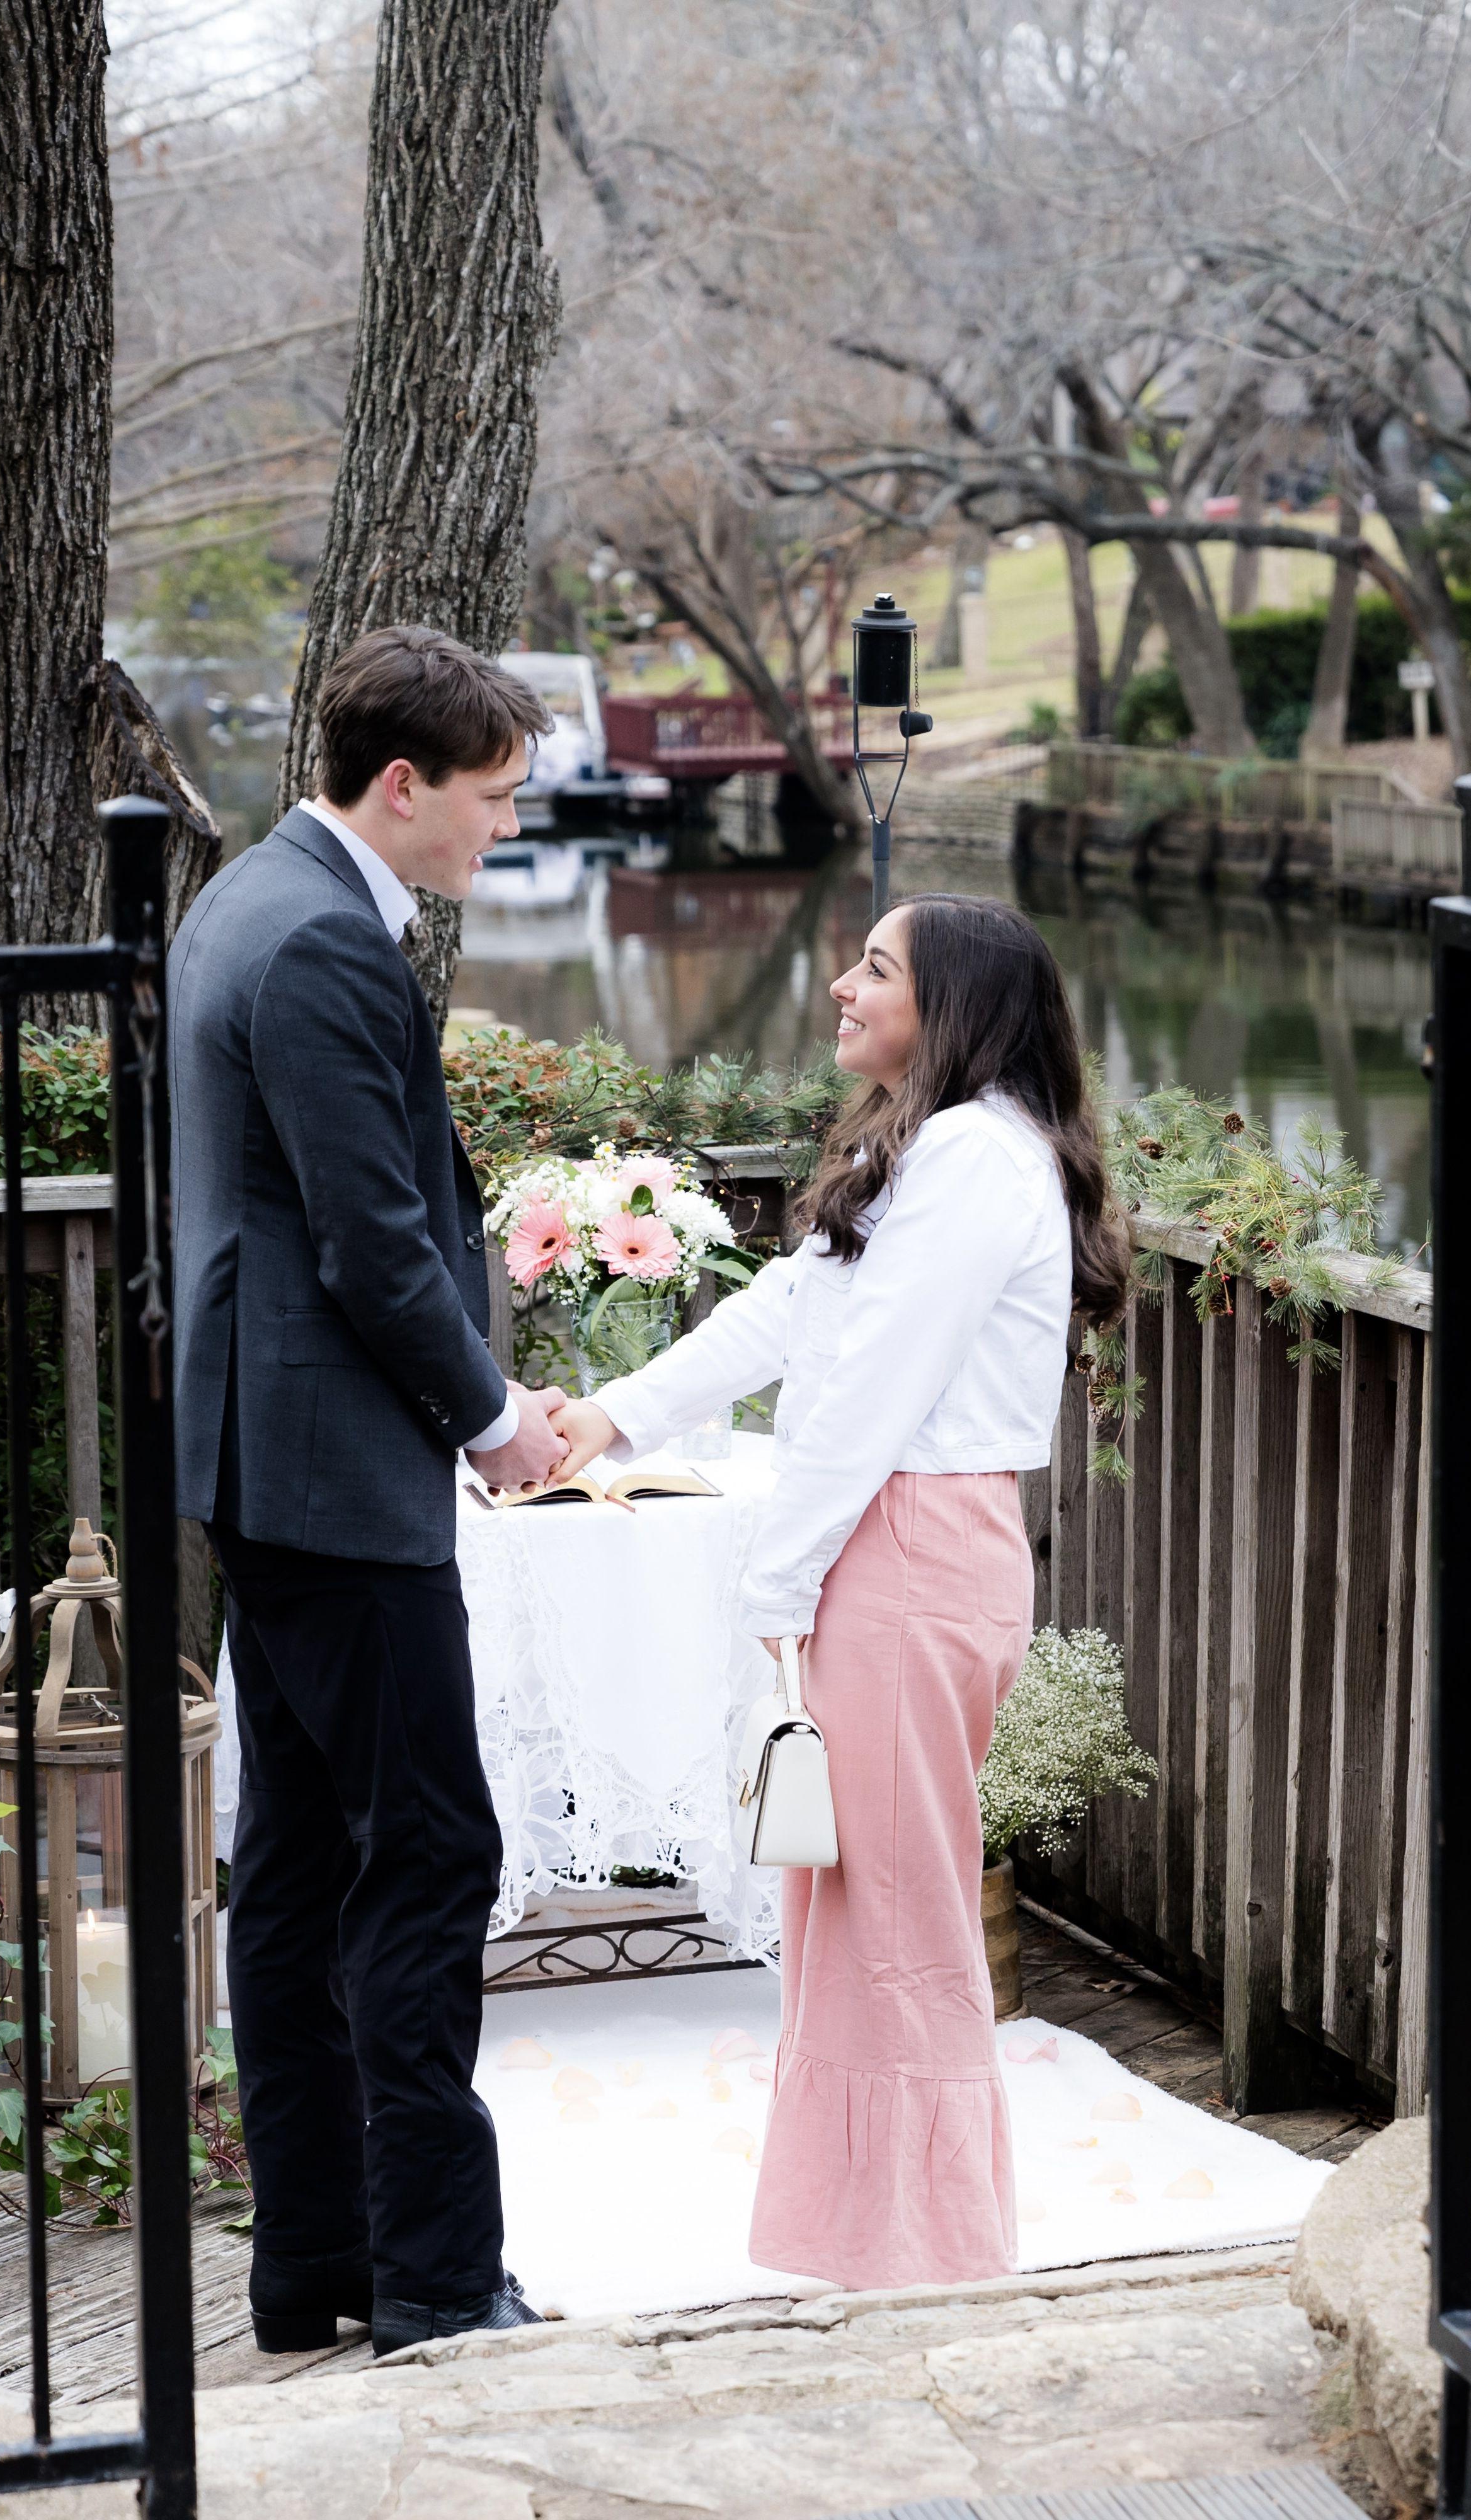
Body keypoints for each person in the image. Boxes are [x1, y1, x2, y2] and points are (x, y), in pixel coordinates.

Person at [545, 893, 1130, 2293]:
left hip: (911, 1548)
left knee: (899, 1916)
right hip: (901, 1546)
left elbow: (874, 1389)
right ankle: (863, 2232)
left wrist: (777, 1578)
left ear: (952, 1007)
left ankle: (933, 2250)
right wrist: (612, 1417)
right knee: (850, 1901)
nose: (840, 985)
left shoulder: (975, 1159)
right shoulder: (935, 1145)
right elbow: (789, 1312)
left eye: (876, 967)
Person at [167, 625, 567, 2359]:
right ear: (401, 784)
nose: (503, 827)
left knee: (299, 1866)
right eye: (491, 797)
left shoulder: (241, 902)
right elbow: (373, 1246)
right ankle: (435, 2280)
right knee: (424, 1854)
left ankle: (313, 2261)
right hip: (333, 1474)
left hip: (266, 1460)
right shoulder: (326, 939)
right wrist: (489, 1417)